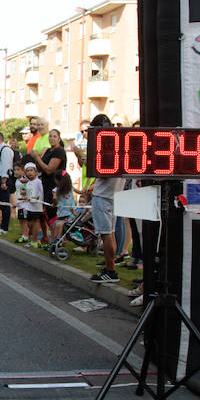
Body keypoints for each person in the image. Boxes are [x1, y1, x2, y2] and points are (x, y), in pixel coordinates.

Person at [87, 114, 121, 283]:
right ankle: (110, 266)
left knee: (106, 234)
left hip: (103, 196)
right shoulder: (119, 144)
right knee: (111, 233)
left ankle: (111, 270)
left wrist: (82, 157)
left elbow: (104, 172)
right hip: (115, 194)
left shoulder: (105, 147)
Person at [29, 128, 67, 243]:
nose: (51, 138)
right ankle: (46, 236)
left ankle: (57, 238)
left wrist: (37, 158)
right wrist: (37, 159)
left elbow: (50, 169)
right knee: (44, 212)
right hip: (44, 184)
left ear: (59, 139)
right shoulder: (49, 151)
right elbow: (40, 167)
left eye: (54, 136)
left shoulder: (59, 152)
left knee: (52, 212)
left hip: (54, 185)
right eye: (50, 136)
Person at [21, 162, 44, 247]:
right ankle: (36, 239)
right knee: (30, 224)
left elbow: (41, 194)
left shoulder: (38, 182)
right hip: (29, 206)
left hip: (36, 207)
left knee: (35, 223)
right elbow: (26, 194)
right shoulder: (28, 183)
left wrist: (36, 199)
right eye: (27, 171)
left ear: (35, 171)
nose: (30, 172)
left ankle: (34, 241)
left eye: (31, 170)